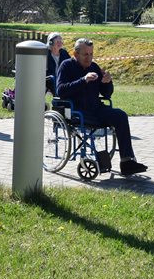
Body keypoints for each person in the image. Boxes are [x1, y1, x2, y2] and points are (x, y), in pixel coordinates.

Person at [56, 38, 148, 176]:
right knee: (99, 115)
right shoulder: (66, 66)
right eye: (85, 54)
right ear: (75, 54)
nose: (89, 58)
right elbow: (60, 90)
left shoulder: (94, 67)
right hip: (77, 111)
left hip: (96, 108)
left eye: (91, 54)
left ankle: (127, 161)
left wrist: (107, 83)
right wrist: (83, 80)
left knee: (120, 115)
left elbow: (106, 94)